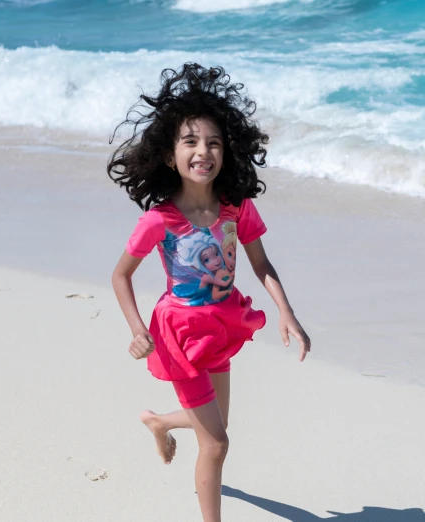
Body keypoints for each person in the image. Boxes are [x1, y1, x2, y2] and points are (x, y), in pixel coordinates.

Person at [108, 63, 311, 522]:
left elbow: (260, 263)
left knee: (215, 425)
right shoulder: (159, 220)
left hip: (222, 323)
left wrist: (286, 313)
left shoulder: (237, 208)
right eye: (191, 142)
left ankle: (159, 422)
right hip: (180, 332)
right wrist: (138, 330)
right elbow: (121, 275)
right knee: (216, 442)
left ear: (228, 150)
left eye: (214, 142)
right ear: (169, 156)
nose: (204, 151)